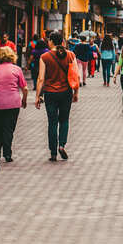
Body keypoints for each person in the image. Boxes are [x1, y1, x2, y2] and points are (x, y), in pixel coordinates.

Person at [35, 31, 78, 161]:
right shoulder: (70, 55)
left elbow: (41, 79)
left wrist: (37, 96)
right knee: (64, 120)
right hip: (66, 93)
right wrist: (76, 93)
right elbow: (76, 75)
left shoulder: (44, 57)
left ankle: (53, 152)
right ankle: (62, 145)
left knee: (52, 122)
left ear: (52, 41)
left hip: (50, 93)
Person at [0, 46, 28, 162]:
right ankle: (7, 154)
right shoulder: (17, 69)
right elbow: (25, 88)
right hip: (13, 103)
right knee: (9, 129)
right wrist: (24, 100)